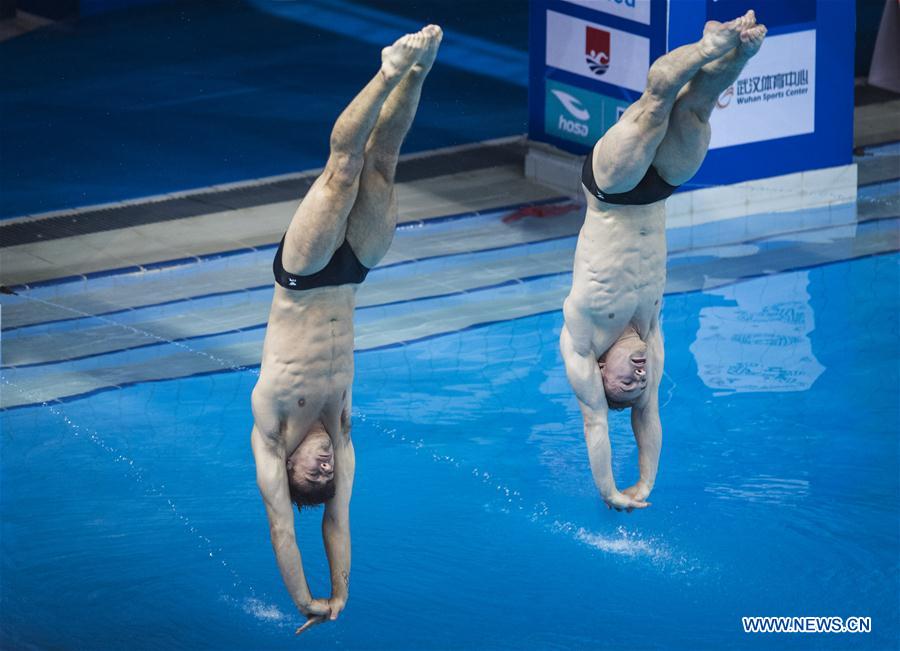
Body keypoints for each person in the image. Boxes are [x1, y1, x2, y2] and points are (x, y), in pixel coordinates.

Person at [249, 25, 442, 634]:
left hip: (303, 277)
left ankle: (388, 69)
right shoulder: (341, 433)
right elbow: (338, 521)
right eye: (328, 476)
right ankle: (419, 71)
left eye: (314, 474)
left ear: (288, 467)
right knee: (382, 165)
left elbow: (284, 528)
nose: (327, 467)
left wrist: (305, 599)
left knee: (341, 172)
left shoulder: (272, 434)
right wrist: (341, 595)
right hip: (354, 273)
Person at [560, 12, 766, 511]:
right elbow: (648, 415)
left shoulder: (583, 340)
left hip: (610, 191)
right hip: (660, 192)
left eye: (624, 383)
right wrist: (646, 483)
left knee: (655, 108)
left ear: (600, 372)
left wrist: (610, 490)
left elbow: (595, 422)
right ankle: (740, 48)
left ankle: (708, 45)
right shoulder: (650, 335)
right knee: (695, 111)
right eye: (640, 385)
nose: (639, 377)